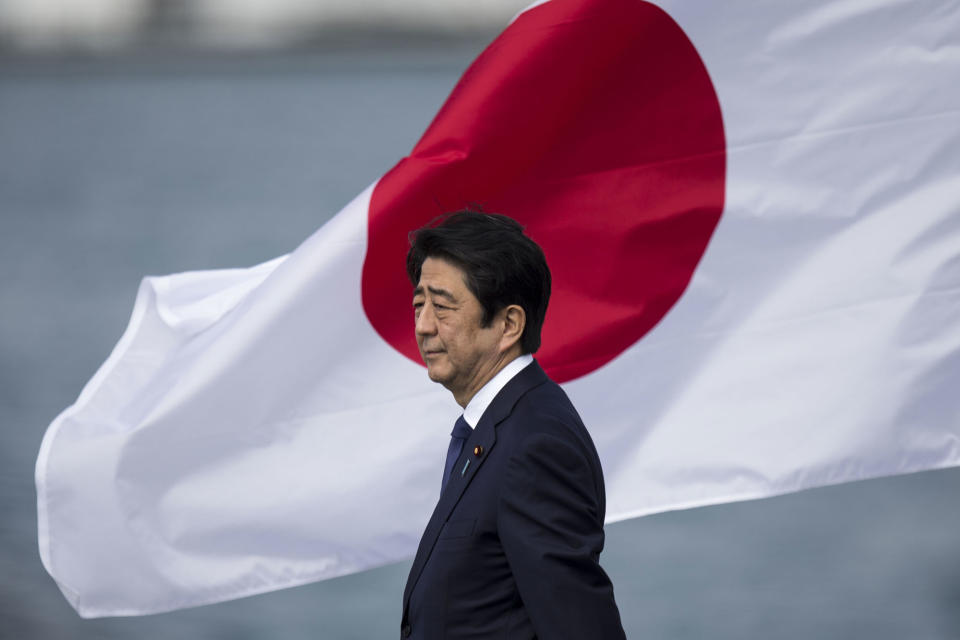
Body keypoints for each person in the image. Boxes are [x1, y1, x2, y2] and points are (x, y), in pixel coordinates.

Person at [400, 210, 626, 639]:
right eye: (418, 304)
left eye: (442, 307)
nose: (423, 325)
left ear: (508, 325)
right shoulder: (499, 426)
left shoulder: (536, 444)